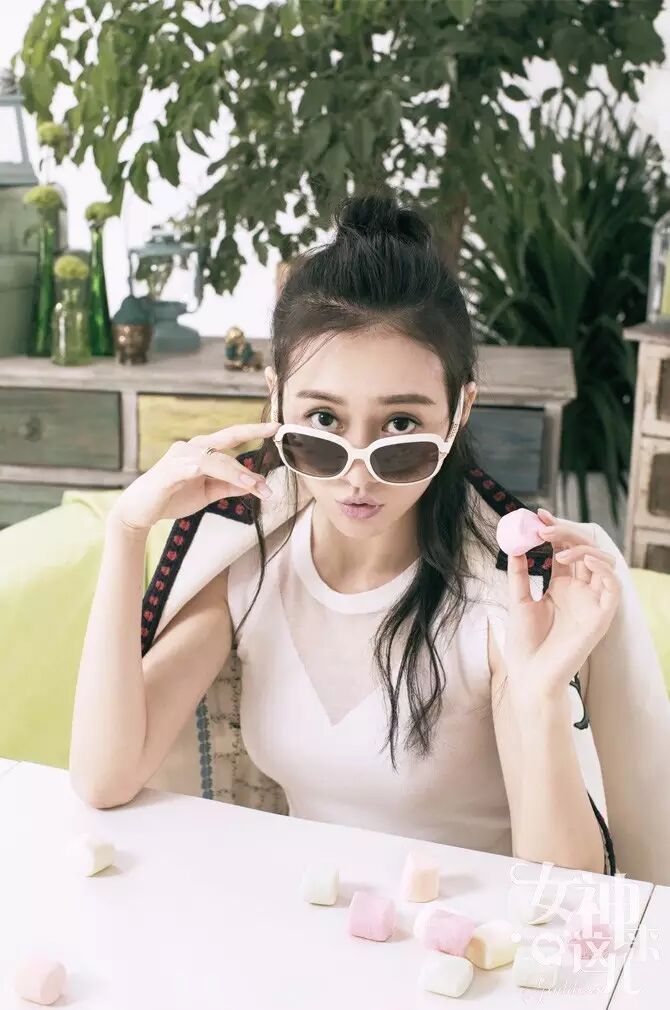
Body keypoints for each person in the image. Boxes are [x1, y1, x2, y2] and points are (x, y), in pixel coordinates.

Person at [69, 193, 670, 882]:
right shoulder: (251, 561)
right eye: (323, 423)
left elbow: (563, 891)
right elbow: (105, 777)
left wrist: (538, 696)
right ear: (276, 397)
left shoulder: (500, 600)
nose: (357, 474)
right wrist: (127, 530)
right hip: (313, 923)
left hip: (468, 939)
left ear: (460, 409)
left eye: (400, 428)